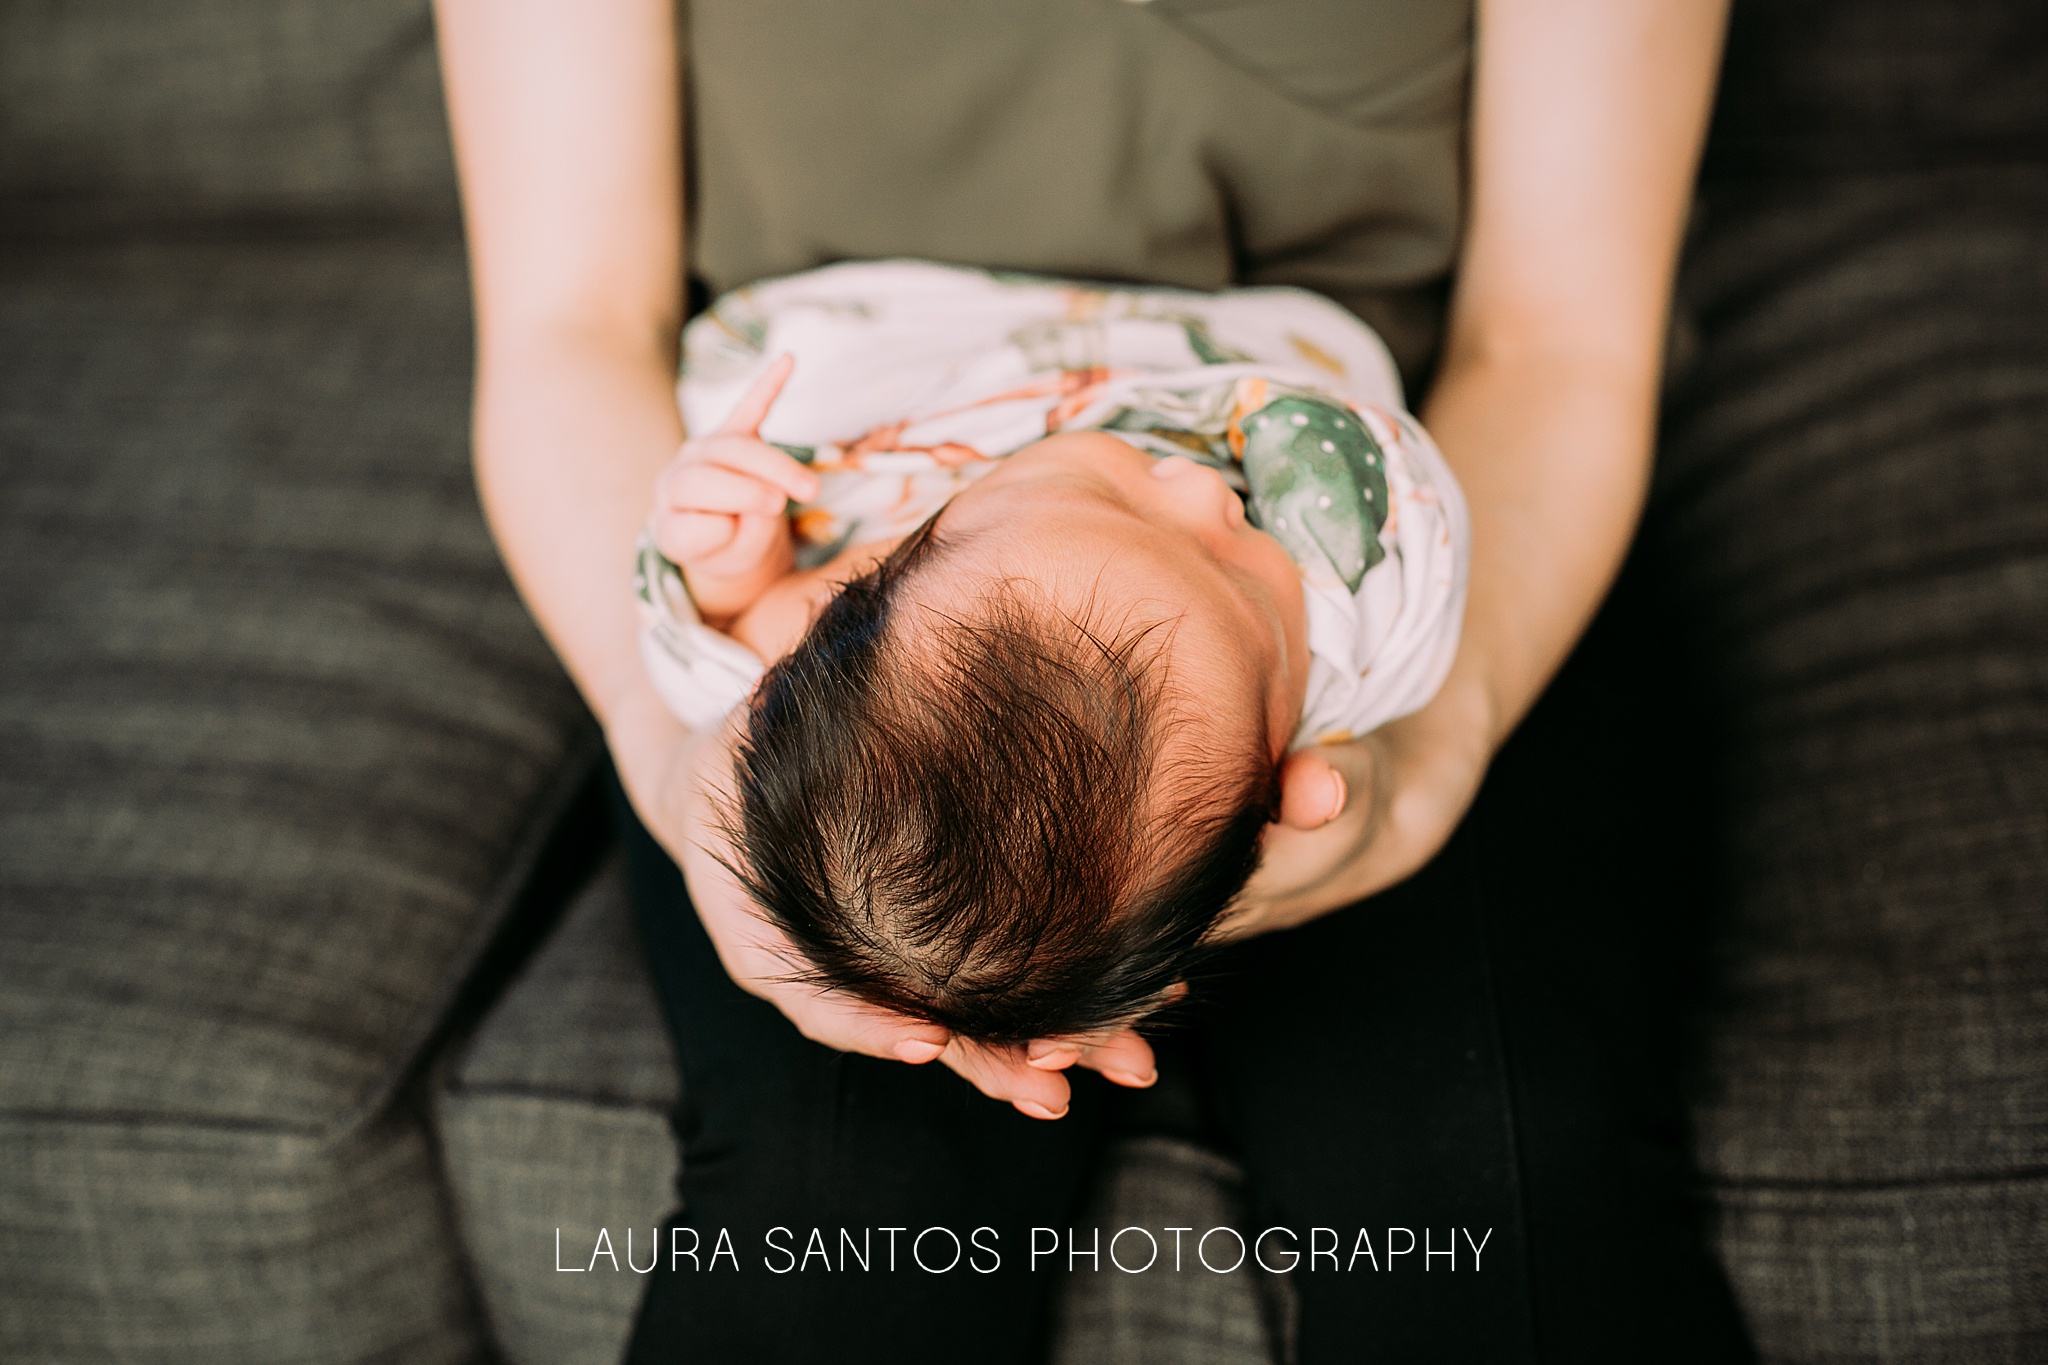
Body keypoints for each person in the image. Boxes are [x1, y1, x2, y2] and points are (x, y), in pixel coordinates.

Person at [433, 2, 1750, 1360]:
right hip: (895, 599)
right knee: (839, 1211)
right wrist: (682, 743)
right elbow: (573, 335)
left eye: (1191, 518)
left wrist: (1418, 762)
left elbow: (1560, 341)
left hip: (1465, 447)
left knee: (1492, 1171)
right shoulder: (863, 562)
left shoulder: (1345, 603)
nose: (1193, 476)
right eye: (1155, 496)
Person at [639, 261, 1469, 1041]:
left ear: (916, 543)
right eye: (1242, 580)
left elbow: (730, 629)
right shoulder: (1359, 624)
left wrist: (735, 556)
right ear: (1270, 783)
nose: (1206, 489)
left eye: (1114, 495)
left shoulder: (845, 620)